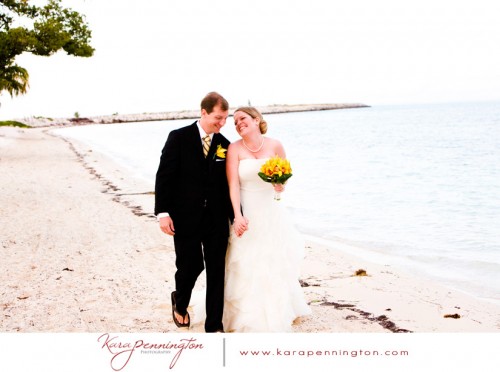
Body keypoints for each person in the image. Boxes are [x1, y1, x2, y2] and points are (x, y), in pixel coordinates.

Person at [223, 106, 311, 332]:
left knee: (273, 260)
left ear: (256, 120)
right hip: (247, 212)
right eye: (235, 122)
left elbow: (282, 182)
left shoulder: (275, 145)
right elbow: (232, 185)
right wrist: (237, 215)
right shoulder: (234, 149)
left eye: (242, 119)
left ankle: (276, 309)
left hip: (271, 211)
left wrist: (280, 185)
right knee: (245, 260)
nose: (238, 123)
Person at [154, 92, 233, 333]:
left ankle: (214, 325)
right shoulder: (178, 137)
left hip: (216, 220)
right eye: (217, 117)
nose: (221, 123)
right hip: (185, 217)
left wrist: (236, 217)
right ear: (204, 112)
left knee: (217, 271)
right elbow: (164, 176)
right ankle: (180, 302)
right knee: (190, 266)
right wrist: (163, 212)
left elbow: (229, 186)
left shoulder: (225, 145)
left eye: (225, 119)